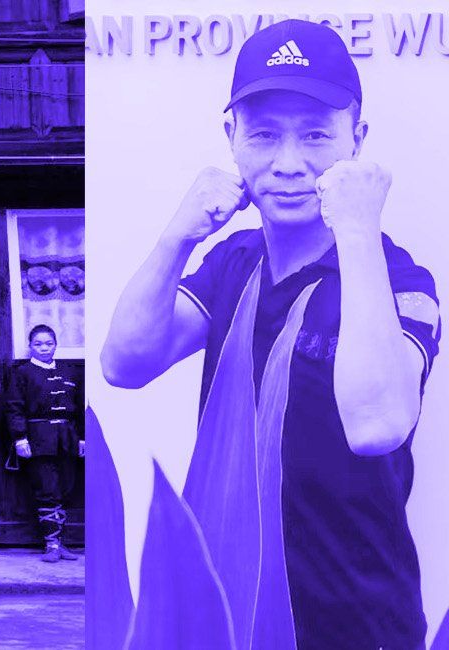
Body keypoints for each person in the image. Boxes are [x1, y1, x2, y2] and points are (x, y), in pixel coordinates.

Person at [99, 19, 434, 648]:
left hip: (358, 618)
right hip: (227, 615)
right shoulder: (232, 263)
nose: (288, 164)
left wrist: (357, 231)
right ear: (232, 140)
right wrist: (177, 233)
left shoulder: (396, 278)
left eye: (315, 136)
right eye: (263, 136)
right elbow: (126, 361)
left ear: (355, 141)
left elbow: (378, 424)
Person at [4, 325, 82, 563]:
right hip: (39, 439)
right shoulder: (22, 373)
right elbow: (14, 407)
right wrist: (20, 438)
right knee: (47, 489)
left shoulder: (69, 372)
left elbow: (79, 408)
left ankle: (62, 542)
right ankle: (52, 544)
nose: (44, 348)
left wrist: (82, 438)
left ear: (56, 344)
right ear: (30, 346)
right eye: (38, 344)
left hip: (67, 438)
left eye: (49, 343)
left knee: (66, 487)